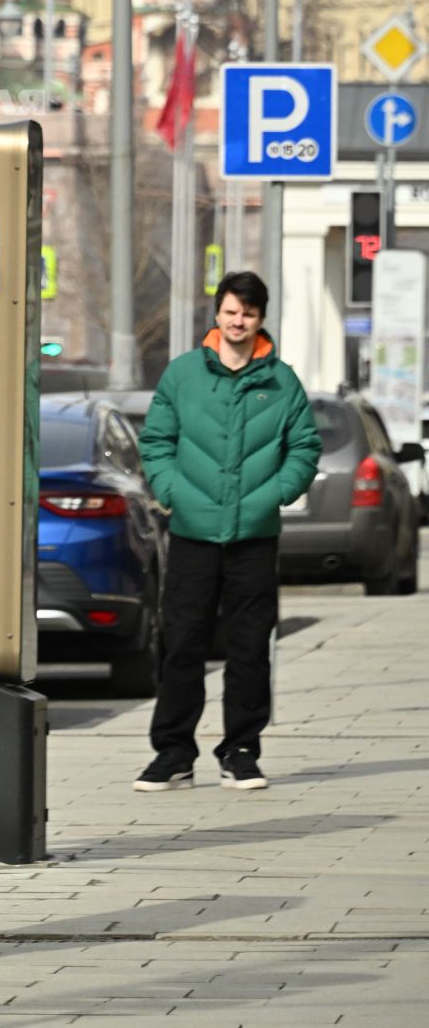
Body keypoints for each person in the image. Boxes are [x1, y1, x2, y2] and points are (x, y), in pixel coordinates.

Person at [134, 270, 321, 793]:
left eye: (249, 314)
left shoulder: (282, 382)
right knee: (182, 643)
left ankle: (241, 752)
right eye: (231, 311)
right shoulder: (183, 375)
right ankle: (173, 754)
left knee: (249, 648)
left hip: (254, 537)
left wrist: (277, 493)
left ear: (261, 319)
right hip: (192, 531)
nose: (238, 322)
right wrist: (171, 490)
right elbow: (156, 441)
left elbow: (305, 446)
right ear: (217, 313)